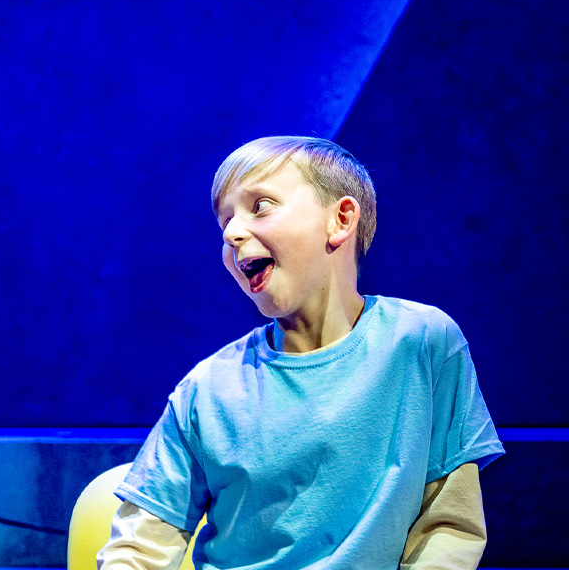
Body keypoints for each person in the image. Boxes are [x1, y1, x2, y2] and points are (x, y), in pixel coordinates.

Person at [97, 136, 504, 569]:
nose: (233, 233)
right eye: (224, 223)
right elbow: (138, 549)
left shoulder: (422, 342)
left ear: (341, 219)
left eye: (260, 206)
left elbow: (448, 526)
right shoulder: (207, 389)